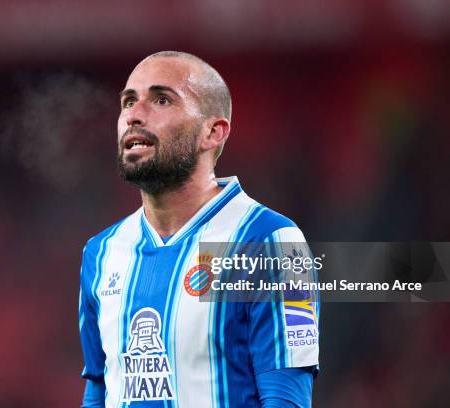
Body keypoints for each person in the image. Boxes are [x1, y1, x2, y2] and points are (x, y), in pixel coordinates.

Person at [78, 51, 319, 407]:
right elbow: (99, 390)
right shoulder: (101, 253)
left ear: (212, 132)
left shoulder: (272, 244)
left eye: (161, 100)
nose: (134, 115)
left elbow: (286, 398)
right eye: (129, 101)